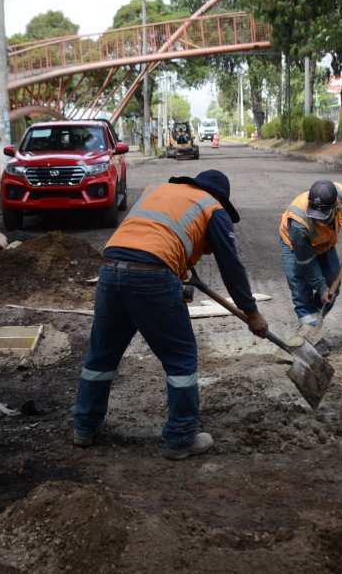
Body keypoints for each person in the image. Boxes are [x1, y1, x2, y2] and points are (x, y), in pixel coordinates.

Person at [72, 170, 269, 460]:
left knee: (101, 356)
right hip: (152, 277)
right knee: (181, 357)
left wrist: (175, 281)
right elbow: (231, 267)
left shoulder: (157, 190)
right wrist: (252, 313)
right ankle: (181, 437)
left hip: (110, 271)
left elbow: (150, 242)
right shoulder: (212, 208)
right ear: (220, 198)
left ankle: (84, 428)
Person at [279, 180, 342, 329]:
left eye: (323, 215)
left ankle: (314, 321)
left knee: (333, 285)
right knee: (301, 288)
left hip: (324, 241)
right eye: (315, 213)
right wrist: (321, 288)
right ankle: (310, 329)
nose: (317, 218)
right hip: (294, 245)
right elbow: (306, 262)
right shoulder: (298, 223)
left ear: (335, 206)